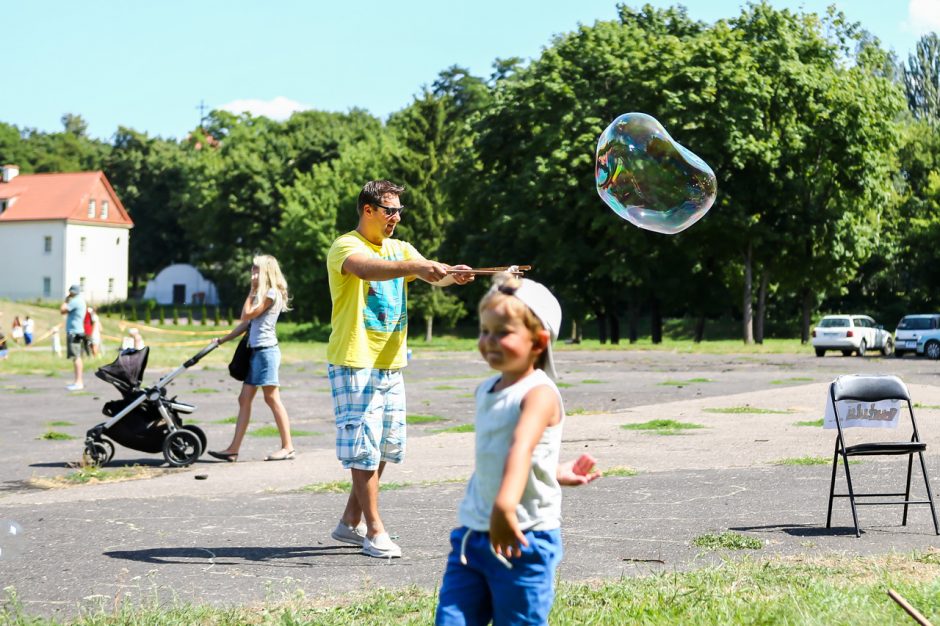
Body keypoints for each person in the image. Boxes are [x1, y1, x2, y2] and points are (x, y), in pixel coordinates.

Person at [434, 274, 601, 626]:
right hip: (473, 536)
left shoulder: (538, 393)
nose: (489, 341)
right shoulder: (486, 389)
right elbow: (501, 454)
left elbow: (521, 448)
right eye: (484, 330)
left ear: (538, 342)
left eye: (503, 332)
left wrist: (504, 506)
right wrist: (552, 471)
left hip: (524, 537)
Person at [326, 179, 473, 559]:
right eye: (390, 210)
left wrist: (451, 274)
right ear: (368, 210)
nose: (396, 218)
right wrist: (415, 265)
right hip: (355, 360)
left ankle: (348, 523)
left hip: (390, 363)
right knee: (363, 448)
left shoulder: (400, 248)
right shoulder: (346, 246)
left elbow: (429, 274)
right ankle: (375, 532)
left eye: (399, 211)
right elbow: (368, 270)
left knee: (385, 447)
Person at [209, 254, 294, 462]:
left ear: (266, 272)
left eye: (256, 270)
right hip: (257, 353)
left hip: (266, 353)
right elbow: (247, 325)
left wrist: (252, 291)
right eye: (252, 269)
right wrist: (223, 339)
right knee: (244, 399)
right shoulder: (264, 294)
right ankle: (233, 449)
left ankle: (288, 447)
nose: (252, 274)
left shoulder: (271, 294)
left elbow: (246, 315)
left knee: (272, 398)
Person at [60, 284, 86, 391]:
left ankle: (78, 382)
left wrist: (66, 301)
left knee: (76, 357)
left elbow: (62, 310)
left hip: (74, 332)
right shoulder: (81, 300)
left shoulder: (74, 301)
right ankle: (78, 381)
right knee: (77, 356)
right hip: (78, 331)